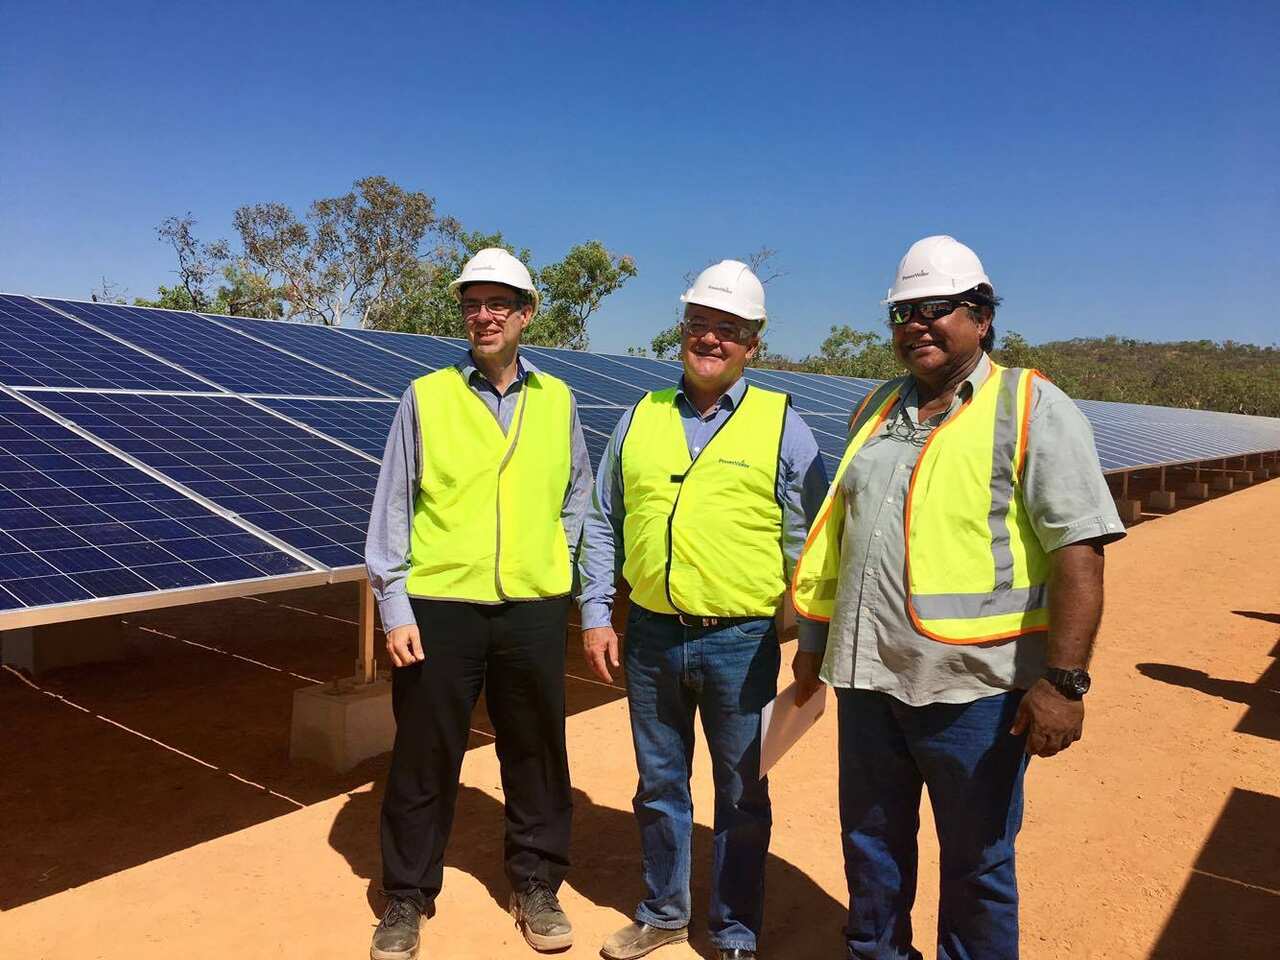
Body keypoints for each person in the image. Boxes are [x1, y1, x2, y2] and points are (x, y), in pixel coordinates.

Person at [792, 235, 1126, 960]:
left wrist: (1064, 682)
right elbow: (845, 537)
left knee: (977, 863)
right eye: (903, 313)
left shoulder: (1032, 406)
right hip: (870, 686)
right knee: (871, 847)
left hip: (976, 695)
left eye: (936, 309)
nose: (917, 325)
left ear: (980, 316)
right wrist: (814, 645)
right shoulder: (875, 408)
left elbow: (1080, 551)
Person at [579, 260, 829, 960]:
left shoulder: (786, 428)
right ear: (681, 332)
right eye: (699, 326)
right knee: (659, 786)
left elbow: (810, 545)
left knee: (743, 794)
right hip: (653, 634)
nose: (710, 340)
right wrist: (598, 610)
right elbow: (604, 519)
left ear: (753, 344)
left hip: (741, 642)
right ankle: (662, 912)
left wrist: (810, 641)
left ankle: (733, 931)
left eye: (728, 330)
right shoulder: (639, 417)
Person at [364, 247, 592, 960]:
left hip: (530, 608)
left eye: (499, 304)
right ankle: (406, 896)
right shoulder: (426, 396)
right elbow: (393, 507)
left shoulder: (558, 401)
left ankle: (537, 882)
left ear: (526, 315)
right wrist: (394, 606)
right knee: (424, 758)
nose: (484, 316)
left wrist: (559, 567)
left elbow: (577, 494)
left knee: (536, 753)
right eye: (473, 303)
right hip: (440, 607)